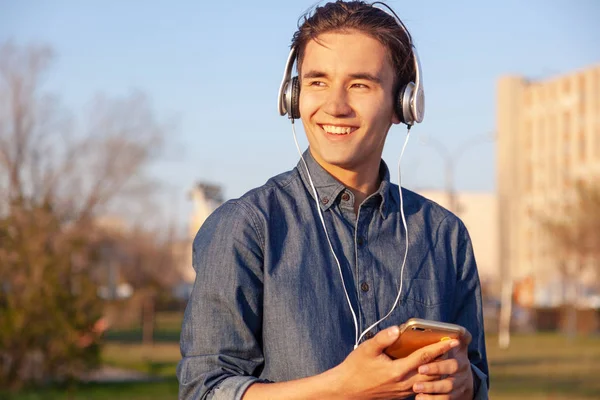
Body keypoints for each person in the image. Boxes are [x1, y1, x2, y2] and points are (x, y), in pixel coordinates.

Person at [177, 1, 489, 399]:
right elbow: (205, 391)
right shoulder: (246, 227)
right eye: (318, 81)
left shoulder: (445, 234)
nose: (335, 106)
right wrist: (340, 389)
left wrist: (465, 384)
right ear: (293, 96)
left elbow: (477, 377)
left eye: (360, 84)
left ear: (403, 103)